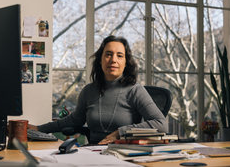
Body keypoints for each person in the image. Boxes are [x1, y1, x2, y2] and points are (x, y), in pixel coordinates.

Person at [28, 35, 167, 144]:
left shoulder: (135, 91)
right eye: (108, 54)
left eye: (119, 56)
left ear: (126, 63)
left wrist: (120, 132)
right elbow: (73, 121)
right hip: (92, 151)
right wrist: (38, 129)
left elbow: (161, 124)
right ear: (100, 60)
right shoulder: (88, 91)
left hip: (123, 154)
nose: (113, 60)